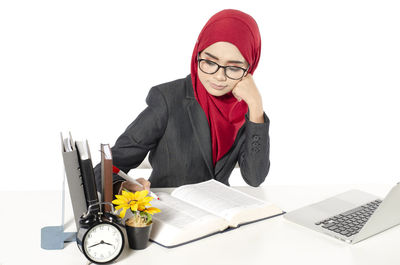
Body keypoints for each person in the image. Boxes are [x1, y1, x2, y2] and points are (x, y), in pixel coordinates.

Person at [94, 9, 270, 195]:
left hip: (219, 214)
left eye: (233, 68)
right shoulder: (168, 99)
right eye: (209, 62)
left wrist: (256, 106)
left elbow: (254, 177)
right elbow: (105, 169)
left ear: (250, 67)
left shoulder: (246, 112)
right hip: (171, 212)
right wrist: (121, 186)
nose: (219, 76)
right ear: (197, 56)